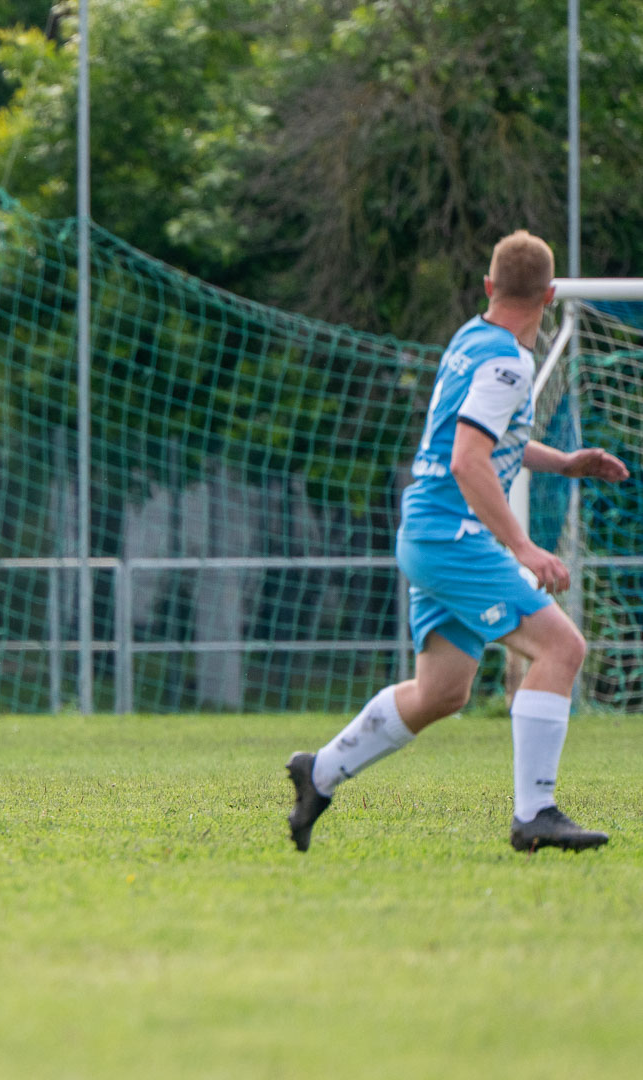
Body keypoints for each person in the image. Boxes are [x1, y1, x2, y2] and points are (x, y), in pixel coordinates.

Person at [286, 231, 628, 854]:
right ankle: (535, 814)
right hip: (454, 536)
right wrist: (524, 547)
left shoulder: (471, 340)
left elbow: (487, 440)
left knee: (442, 691)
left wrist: (564, 462)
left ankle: (321, 772)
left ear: (489, 287)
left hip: (429, 532)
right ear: (550, 295)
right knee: (562, 647)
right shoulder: (508, 363)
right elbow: (469, 460)